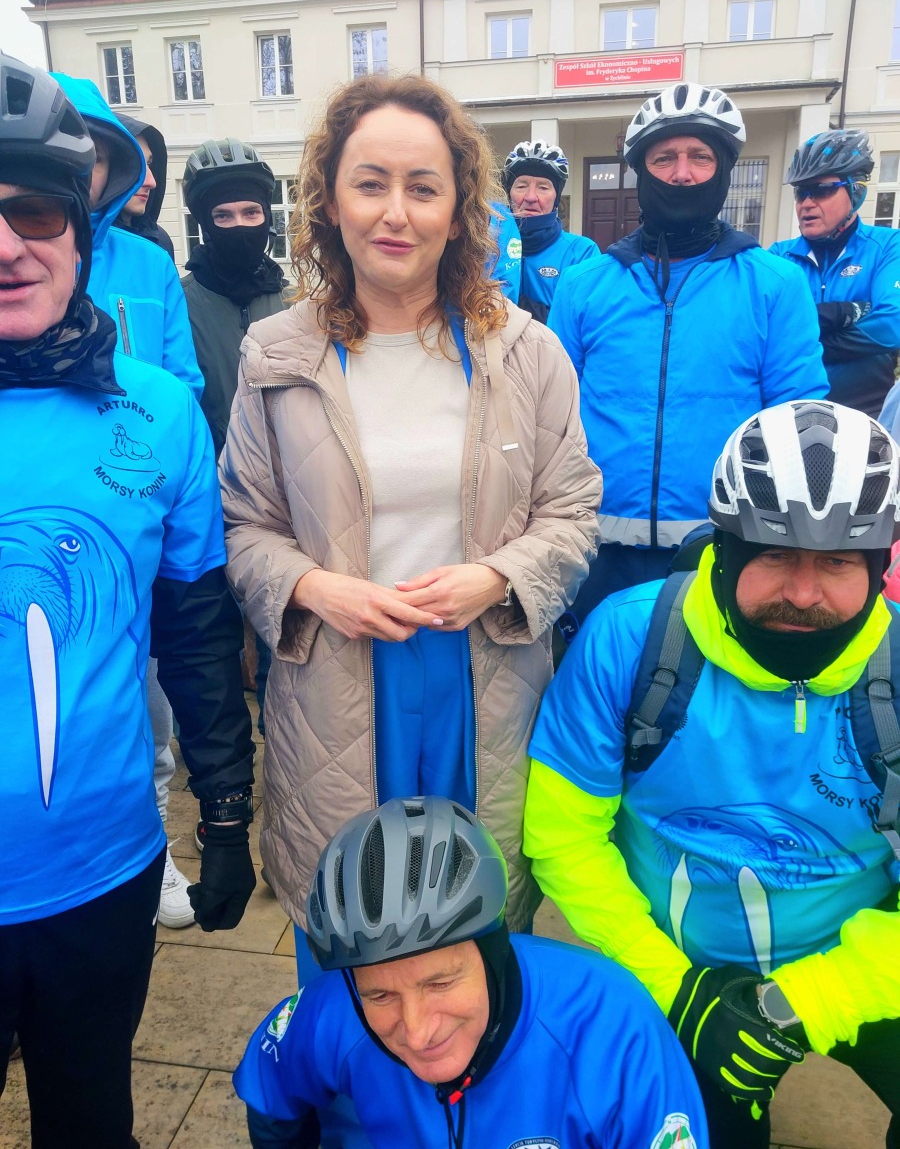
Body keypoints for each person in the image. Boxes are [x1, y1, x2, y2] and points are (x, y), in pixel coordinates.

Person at [218, 73, 602, 948]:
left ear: (458, 211)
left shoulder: (528, 352)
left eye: (423, 188)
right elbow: (244, 524)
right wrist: (316, 588)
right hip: (339, 678)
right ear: (331, 202)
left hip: (484, 675)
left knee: (474, 933)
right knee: (350, 925)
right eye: (371, 183)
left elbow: (573, 509)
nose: (396, 213)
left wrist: (497, 577)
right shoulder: (275, 355)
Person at [524, 399, 900, 1149]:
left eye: (836, 562)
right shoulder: (630, 639)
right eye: (775, 555)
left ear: (879, 564)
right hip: (677, 969)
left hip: (857, 967)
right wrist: (679, 991)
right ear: (725, 550)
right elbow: (563, 840)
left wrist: (804, 1004)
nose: (803, 593)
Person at [0, 54, 256, 1148]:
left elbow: (195, 633)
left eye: (32, 212)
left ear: (80, 228)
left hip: (100, 876)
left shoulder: (156, 411)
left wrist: (228, 813)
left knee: (91, 1120)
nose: (6, 246)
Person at [234, 796, 709, 1148]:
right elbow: (271, 1091)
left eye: (439, 982)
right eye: (380, 996)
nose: (417, 1032)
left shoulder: (615, 1028)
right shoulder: (335, 1008)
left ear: (494, 951)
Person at [548, 82, 828, 625]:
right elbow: (549, 417)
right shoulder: (583, 286)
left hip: (723, 544)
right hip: (593, 546)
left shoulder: (775, 284)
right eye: (664, 158)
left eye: (701, 157)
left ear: (724, 169)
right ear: (640, 171)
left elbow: (796, 424)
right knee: (592, 675)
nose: (682, 173)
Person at [53, 73, 206, 924]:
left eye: (94, 153)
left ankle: (152, 844)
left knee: (147, 698)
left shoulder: (147, 263)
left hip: (133, 503)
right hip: (44, 513)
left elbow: (182, 378)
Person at [52, 72, 202, 397]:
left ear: (114, 170)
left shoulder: (153, 262)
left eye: (94, 158)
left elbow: (182, 390)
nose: (74, 169)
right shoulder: (11, 257)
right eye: (55, 152)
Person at [770, 129, 900, 419]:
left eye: (822, 190)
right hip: (792, 415)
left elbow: (893, 325)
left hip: (866, 413)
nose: (806, 203)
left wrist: (808, 343)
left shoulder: (888, 246)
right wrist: (845, 312)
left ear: (856, 192)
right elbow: (766, 332)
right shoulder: (779, 255)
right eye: (801, 192)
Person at [181, 137, 286, 460]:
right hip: (209, 472)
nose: (239, 226)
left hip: (285, 470)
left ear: (267, 217)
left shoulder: (294, 303)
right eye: (223, 216)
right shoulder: (178, 305)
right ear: (205, 225)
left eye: (251, 212)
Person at [502, 138, 599, 323]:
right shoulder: (489, 247)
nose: (531, 197)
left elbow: (584, 321)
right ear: (509, 194)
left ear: (556, 198)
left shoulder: (581, 252)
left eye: (543, 187)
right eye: (521, 186)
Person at [114, 113, 176, 261]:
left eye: (149, 164)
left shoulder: (161, 242)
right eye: (136, 164)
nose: (151, 182)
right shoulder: (75, 243)